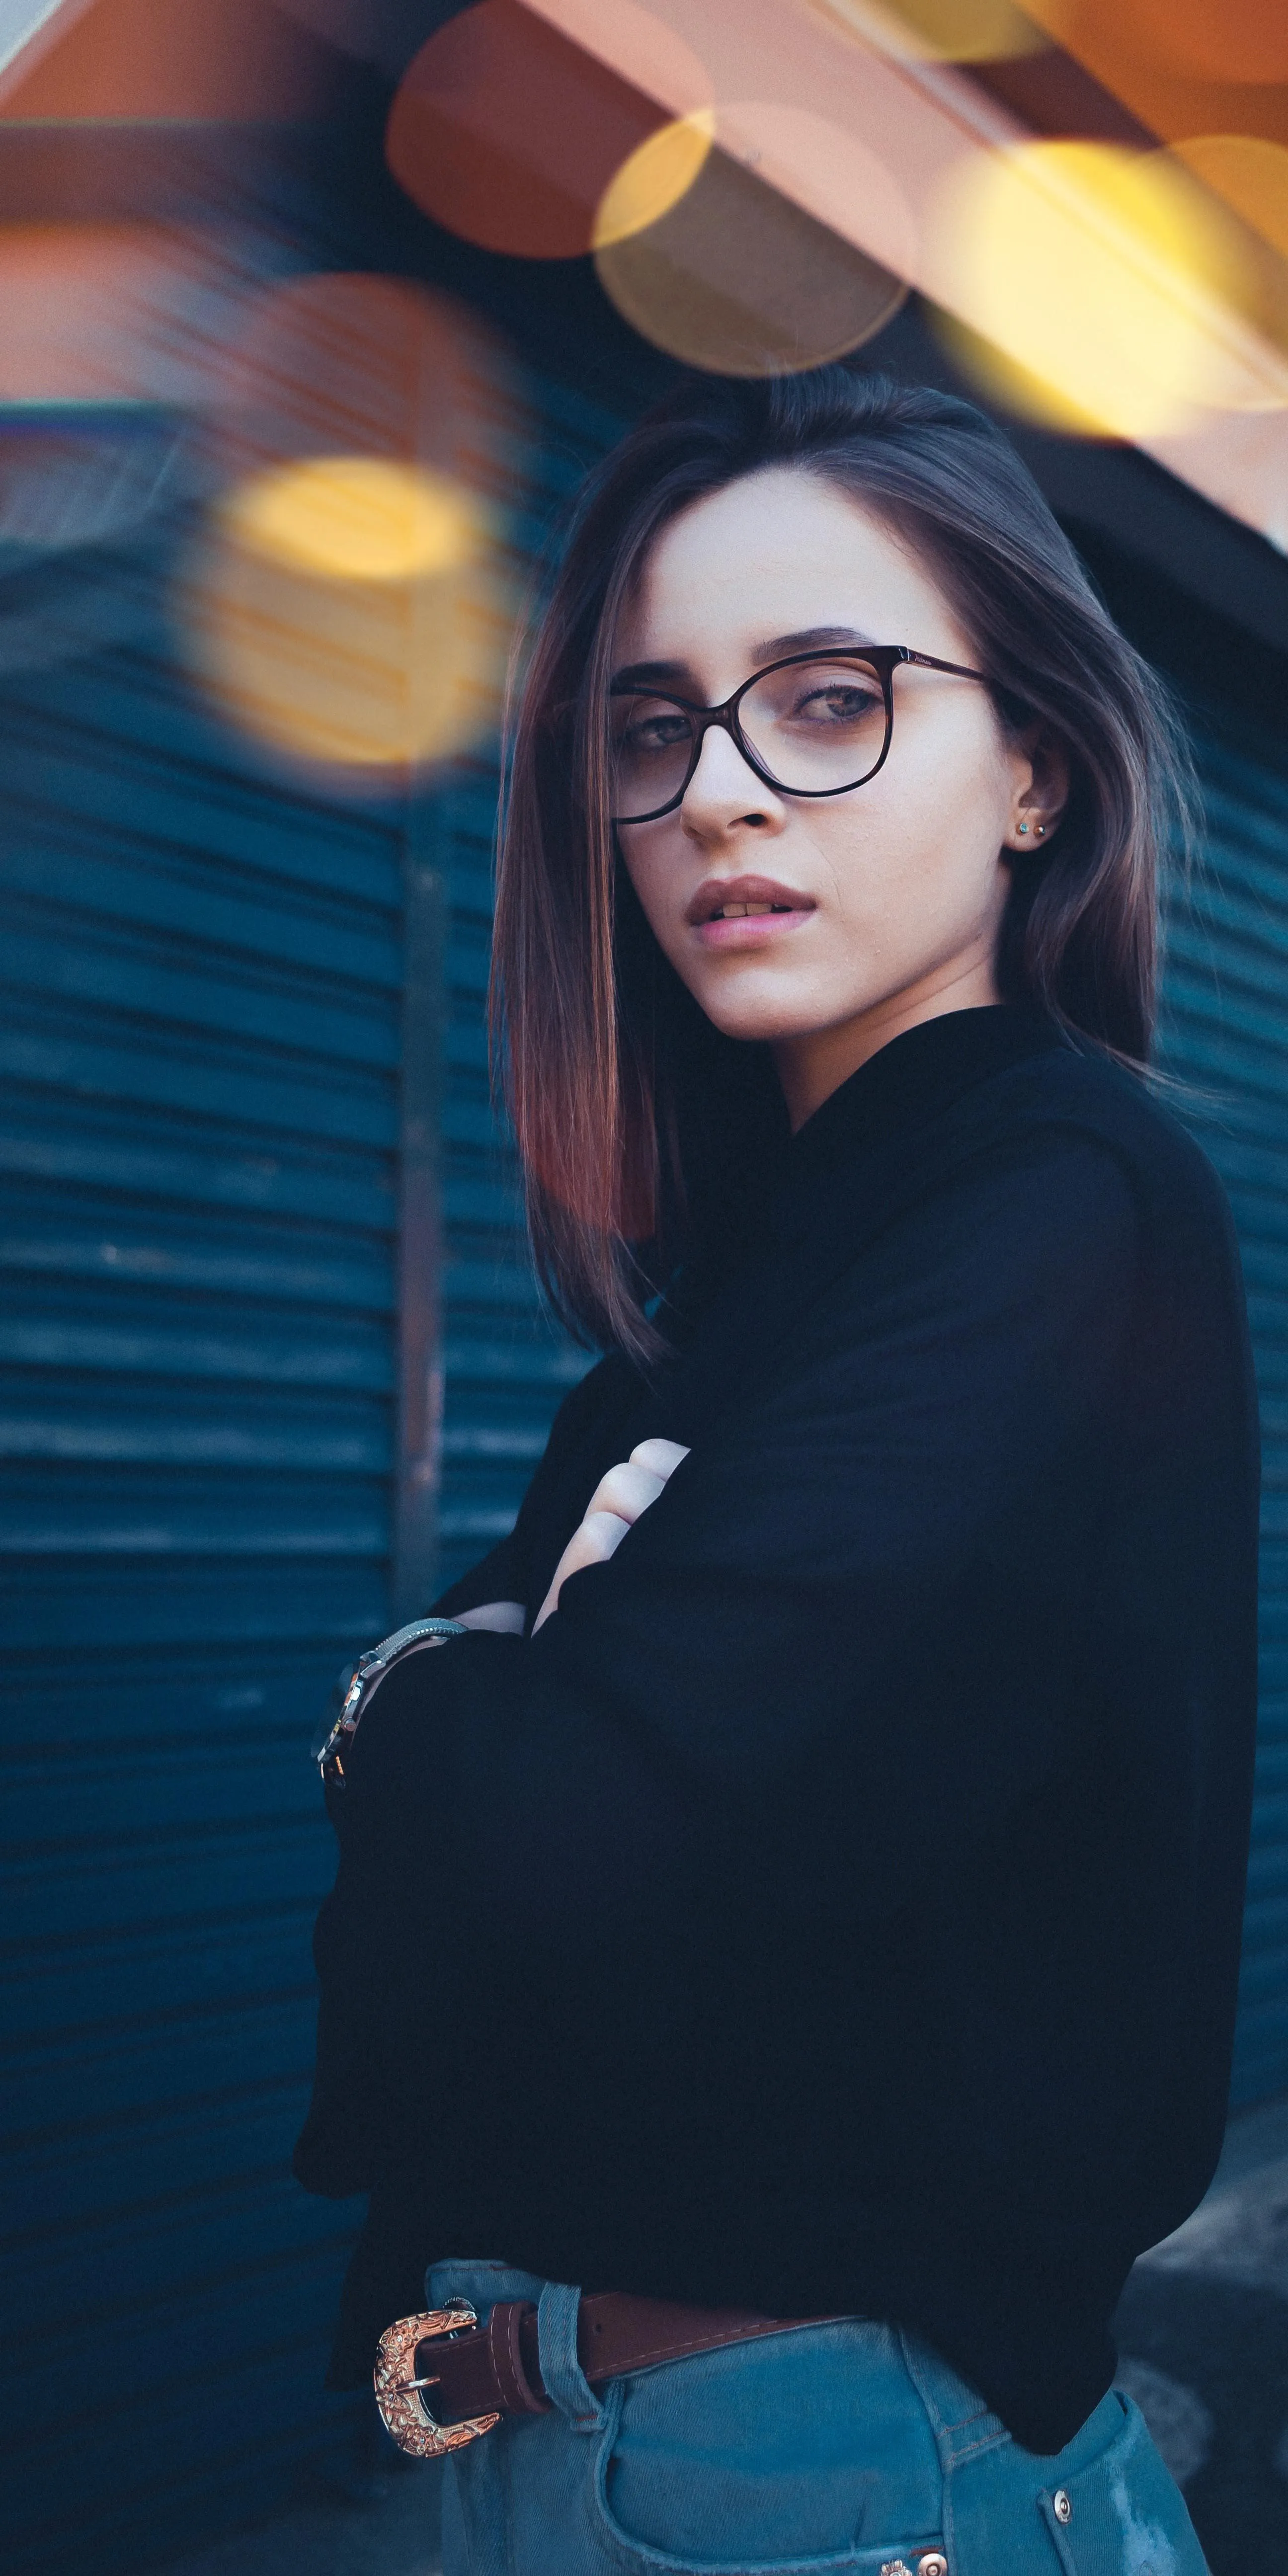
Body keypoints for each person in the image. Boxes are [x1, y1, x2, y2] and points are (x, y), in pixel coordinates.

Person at [295, 371, 1259, 2576]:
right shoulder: (747, 1279)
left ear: (1031, 764)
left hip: (821, 2489)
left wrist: (410, 1700)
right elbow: (510, 1918)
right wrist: (513, 1702)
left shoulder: (1052, 1201)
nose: (721, 795)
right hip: (595, 2457)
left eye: (829, 700)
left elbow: (553, 1852)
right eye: (653, 731)